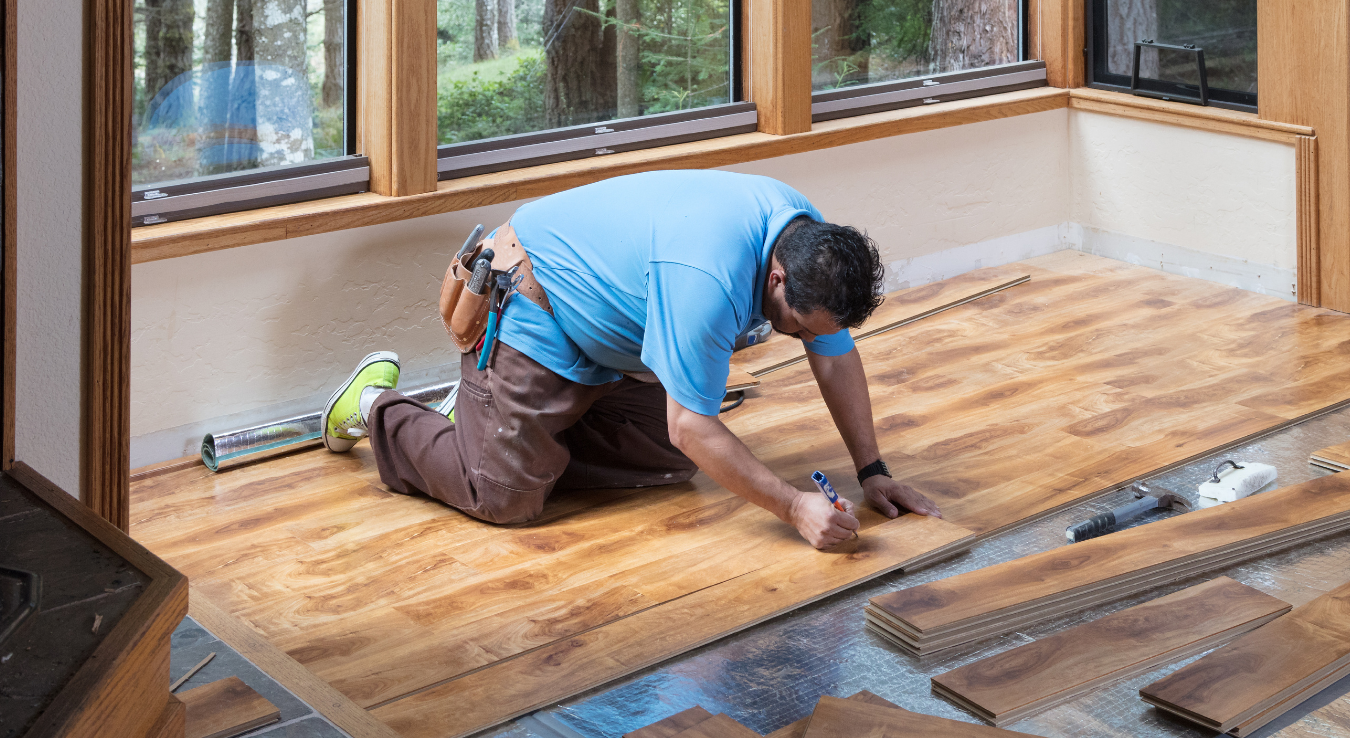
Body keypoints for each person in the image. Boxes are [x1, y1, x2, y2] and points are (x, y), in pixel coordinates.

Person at [322, 169, 941, 550]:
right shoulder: (708, 278)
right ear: (776, 277)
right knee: (505, 496)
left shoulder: (809, 246)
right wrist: (792, 506)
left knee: (668, 463)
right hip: (536, 305)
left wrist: (873, 470)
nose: (804, 340)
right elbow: (692, 422)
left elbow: (835, 356)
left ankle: (495, 421)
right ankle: (378, 407)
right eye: (798, 328)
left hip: (613, 339)